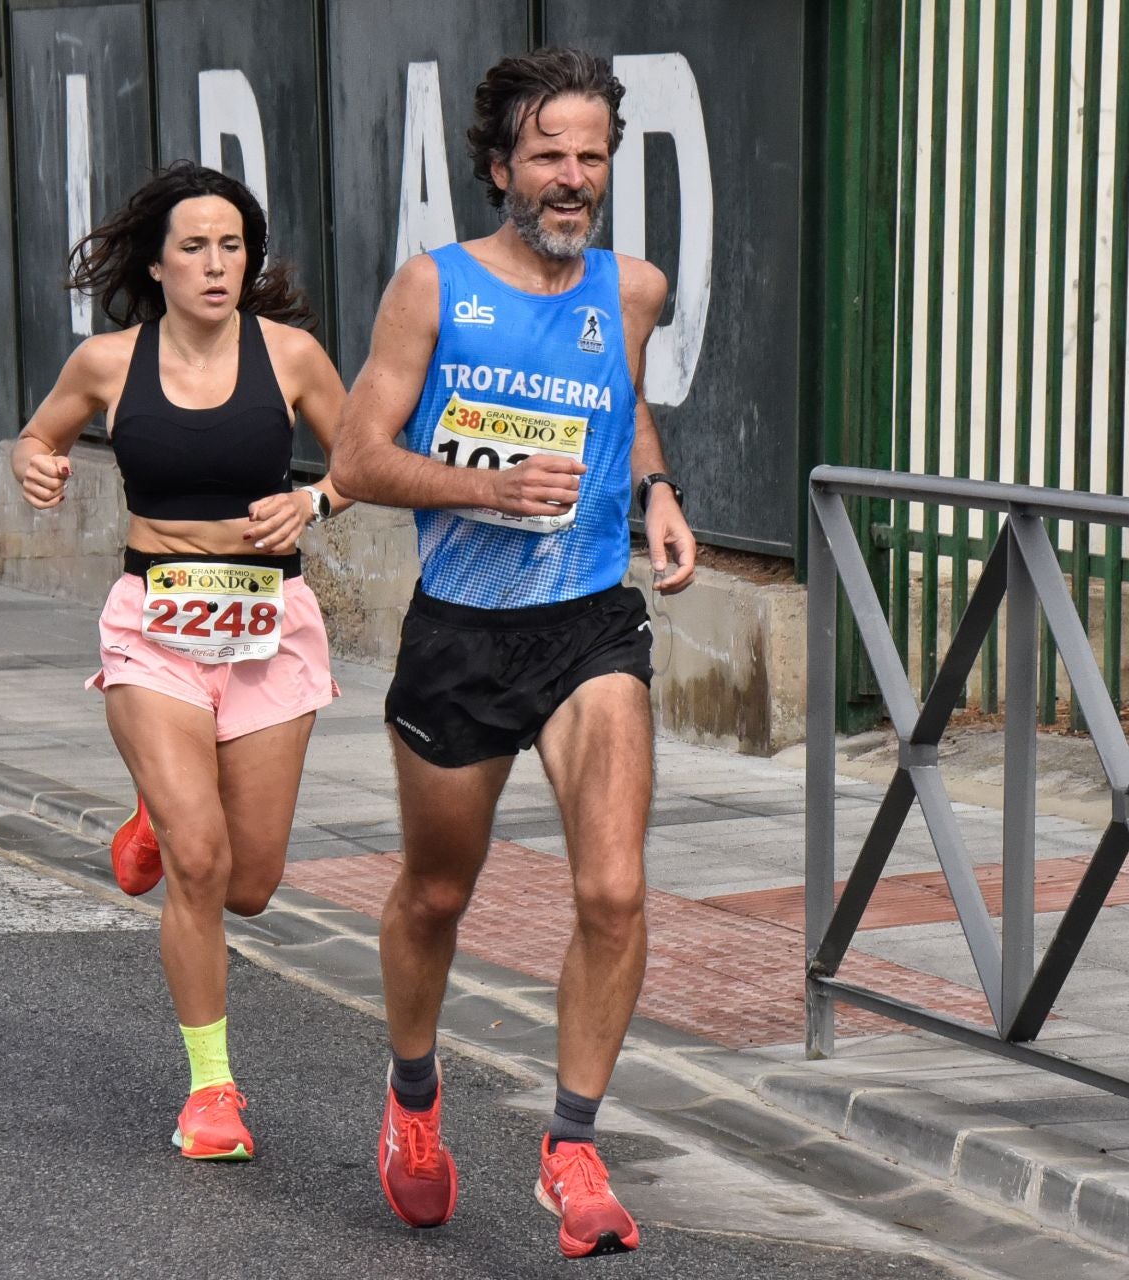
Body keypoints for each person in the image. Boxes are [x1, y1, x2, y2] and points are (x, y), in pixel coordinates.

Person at [330, 48, 696, 1259]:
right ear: (500, 168)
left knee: (613, 887)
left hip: (589, 619)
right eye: (549, 155)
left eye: (592, 155)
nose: (574, 177)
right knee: (437, 891)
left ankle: (573, 1141)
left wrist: (654, 490)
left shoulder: (634, 287)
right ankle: (416, 1098)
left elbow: (621, 395)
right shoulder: (430, 289)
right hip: (462, 628)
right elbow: (357, 460)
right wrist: (479, 482)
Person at [11, 161, 351, 1162]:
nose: (216, 263)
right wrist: (38, 461)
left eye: (232, 245)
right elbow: (39, 436)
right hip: (153, 625)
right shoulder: (107, 361)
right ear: (156, 265)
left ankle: (160, 810)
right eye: (194, 246)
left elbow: (369, 453)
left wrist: (318, 501)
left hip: (270, 627)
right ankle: (213, 1088)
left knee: (248, 882)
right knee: (199, 863)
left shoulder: (290, 356)